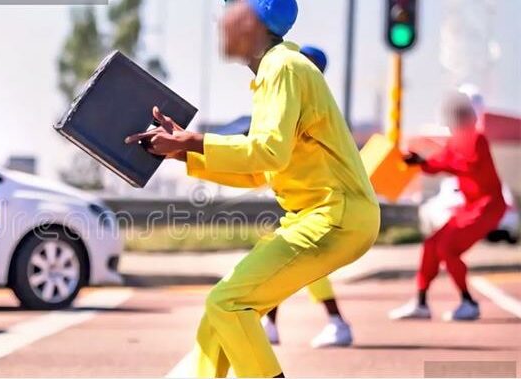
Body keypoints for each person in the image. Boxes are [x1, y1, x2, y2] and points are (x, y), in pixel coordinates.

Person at [125, 0, 380, 376]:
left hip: (333, 216)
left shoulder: (283, 67)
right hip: (324, 216)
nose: (221, 21)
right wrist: (183, 153)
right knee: (220, 314)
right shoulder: (276, 71)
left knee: (229, 303)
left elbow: (267, 152)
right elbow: (258, 171)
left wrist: (192, 141)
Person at [260, 45, 355, 349]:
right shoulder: (309, 100)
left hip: (321, 204)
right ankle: (271, 324)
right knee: (278, 260)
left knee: (292, 263)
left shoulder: (308, 105)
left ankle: (337, 323)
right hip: (307, 203)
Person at [389, 92, 506, 322]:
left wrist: (432, 163)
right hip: (470, 207)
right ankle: (421, 303)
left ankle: (468, 302)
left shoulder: (477, 138)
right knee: (432, 245)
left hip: (488, 207)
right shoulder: (455, 141)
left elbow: (468, 165)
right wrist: (420, 161)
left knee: (447, 248)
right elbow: (439, 162)